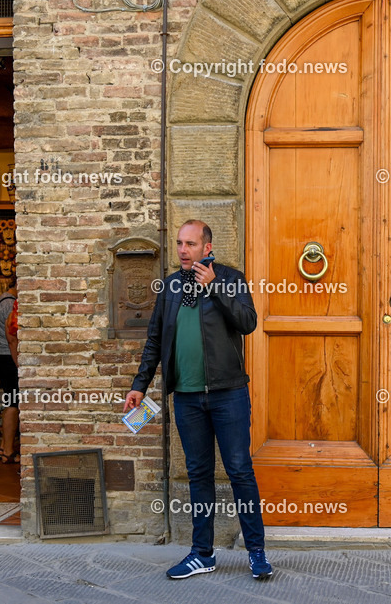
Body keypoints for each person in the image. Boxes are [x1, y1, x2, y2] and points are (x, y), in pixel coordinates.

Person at [124, 220, 273, 580]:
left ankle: (256, 553)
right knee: (199, 475)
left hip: (229, 394)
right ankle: (202, 553)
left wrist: (216, 287)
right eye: (179, 243)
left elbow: (248, 322)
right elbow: (155, 339)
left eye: (190, 244)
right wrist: (139, 385)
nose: (182, 250)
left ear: (207, 248)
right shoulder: (170, 286)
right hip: (188, 398)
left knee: (239, 470)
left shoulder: (231, 278)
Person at [0, 279, 19, 464]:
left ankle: (3, 446)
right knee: (13, 404)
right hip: (8, 356)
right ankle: (8, 452)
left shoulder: (0, 299)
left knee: (10, 401)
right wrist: (18, 363)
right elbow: (12, 338)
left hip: (0, 355)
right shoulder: (10, 303)